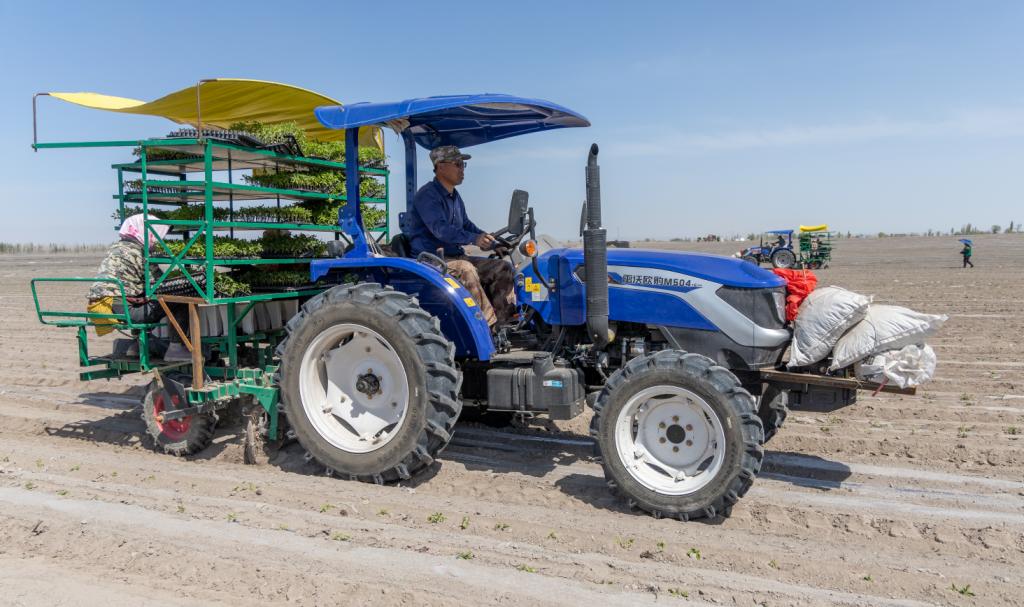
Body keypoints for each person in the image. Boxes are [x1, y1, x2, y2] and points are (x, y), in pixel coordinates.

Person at [404, 145, 516, 330]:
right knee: (466, 269)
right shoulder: (427, 196)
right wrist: (474, 239)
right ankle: (484, 327)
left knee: (502, 267)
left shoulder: (454, 196)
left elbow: (466, 225)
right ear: (440, 166)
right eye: (458, 164)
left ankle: (504, 325)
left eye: (463, 164)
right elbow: (441, 230)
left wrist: (491, 243)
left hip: (455, 256)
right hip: (432, 260)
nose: (462, 169)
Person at [87, 214, 191, 360]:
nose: (158, 241)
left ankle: (137, 345)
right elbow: (159, 283)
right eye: (156, 236)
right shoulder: (141, 252)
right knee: (180, 300)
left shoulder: (117, 247)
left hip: (106, 305)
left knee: (141, 294)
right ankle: (176, 349)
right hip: (124, 309)